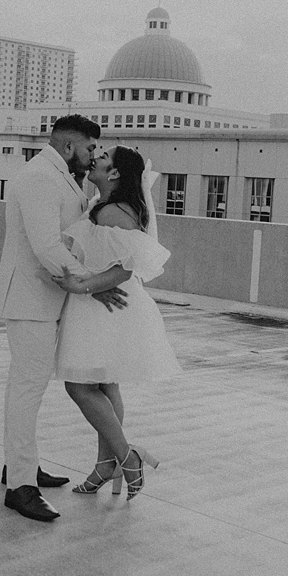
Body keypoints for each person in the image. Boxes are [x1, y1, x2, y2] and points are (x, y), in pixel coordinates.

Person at [0, 116, 128, 522]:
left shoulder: (60, 176)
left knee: (29, 389)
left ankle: (21, 466)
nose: (93, 158)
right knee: (26, 389)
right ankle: (20, 487)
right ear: (69, 146)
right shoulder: (38, 178)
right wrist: (93, 284)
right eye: (89, 149)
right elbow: (47, 246)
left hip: (47, 299)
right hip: (29, 301)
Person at [51, 145, 181, 501]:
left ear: (115, 174)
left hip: (106, 306)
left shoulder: (113, 212)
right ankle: (105, 464)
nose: (96, 158)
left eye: (104, 156)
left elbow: (125, 268)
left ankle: (126, 456)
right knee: (105, 385)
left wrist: (84, 286)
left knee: (79, 386)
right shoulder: (104, 206)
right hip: (102, 304)